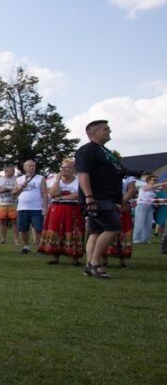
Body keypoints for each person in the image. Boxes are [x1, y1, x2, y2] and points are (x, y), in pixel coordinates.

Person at [75, 120, 124, 279]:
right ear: (94, 133)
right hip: (97, 198)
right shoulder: (87, 150)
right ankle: (95, 263)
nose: (109, 131)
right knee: (113, 228)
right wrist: (89, 197)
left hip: (106, 197)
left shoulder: (103, 151)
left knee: (96, 232)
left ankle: (90, 265)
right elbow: (83, 174)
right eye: (106, 129)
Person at [37, 158, 84, 265]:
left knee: (74, 231)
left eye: (67, 167)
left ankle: (75, 257)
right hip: (57, 209)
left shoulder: (79, 180)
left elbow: (79, 195)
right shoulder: (55, 180)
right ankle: (55, 256)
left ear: (73, 169)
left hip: (73, 209)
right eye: (62, 167)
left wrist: (62, 197)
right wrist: (58, 180)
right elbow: (53, 194)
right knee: (56, 230)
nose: (64, 170)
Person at [13, 160, 48, 254]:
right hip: (22, 208)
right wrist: (22, 187)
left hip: (36, 208)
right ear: (25, 168)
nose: (32, 167)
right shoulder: (19, 179)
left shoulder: (40, 178)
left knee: (38, 228)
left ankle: (41, 247)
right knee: (23, 228)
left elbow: (44, 193)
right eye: (30, 166)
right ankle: (26, 247)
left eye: (33, 166)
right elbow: (14, 194)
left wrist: (45, 207)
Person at [106, 175, 137, 268]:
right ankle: (104, 260)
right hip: (108, 205)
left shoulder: (128, 177)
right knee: (106, 230)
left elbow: (132, 190)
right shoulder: (104, 173)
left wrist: (121, 202)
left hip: (123, 207)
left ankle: (122, 261)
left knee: (124, 231)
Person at [0, 165, 20, 245]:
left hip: (13, 204)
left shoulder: (17, 179)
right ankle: (3, 239)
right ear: (6, 170)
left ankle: (16, 240)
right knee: (2, 221)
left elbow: (20, 191)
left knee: (14, 222)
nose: (14, 172)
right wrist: (1, 191)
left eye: (14, 170)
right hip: (1, 204)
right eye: (12, 170)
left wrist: (14, 191)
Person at [132, 174, 162, 244]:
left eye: (156, 180)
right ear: (148, 180)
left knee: (148, 223)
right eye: (154, 180)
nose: (155, 181)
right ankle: (136, 239)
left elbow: (155, 193)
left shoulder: (154, 189)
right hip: (141, 206)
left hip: (149, 207)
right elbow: (150, 188)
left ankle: (145, 239)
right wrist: (164, 183)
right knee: (140, 223)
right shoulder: (144, 186)